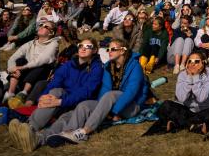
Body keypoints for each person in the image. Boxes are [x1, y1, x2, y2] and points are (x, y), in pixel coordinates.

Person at [12, 37, 147, 149]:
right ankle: (41, 136)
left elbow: (131, 91)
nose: (109, 51)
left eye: (113, 49)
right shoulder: (107, 67)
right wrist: (44, 97)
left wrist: (113, 112)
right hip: (100, 103)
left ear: (123, 51)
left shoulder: (134, 67)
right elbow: (104, 90)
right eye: (108, 49)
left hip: (129, 105)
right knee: (82, 106)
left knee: (110, 95)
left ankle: (84, 131)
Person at [9, 37, 103, 150]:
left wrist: (61, 101)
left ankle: (38, 139)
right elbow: (54, 82)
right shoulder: (69, 65)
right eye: (81, 46)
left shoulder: (97, 68)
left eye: (88, 47)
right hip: (65, 99)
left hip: (79, 103)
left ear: (94, 50)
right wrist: (43, 98)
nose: (83, 49)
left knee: (66, 118)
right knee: (55, 91)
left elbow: (86, 92)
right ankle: (30, 128)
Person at [145, 52, 209, 135]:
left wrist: (196, 76)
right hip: (185, 108)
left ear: (203, 63)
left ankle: (179, 123)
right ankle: (192, 124)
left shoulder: (208, 73)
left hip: (202, 108)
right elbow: (181, 98)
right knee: (166, 105)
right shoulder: (182, 74)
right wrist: (189, 78)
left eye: (197, 61)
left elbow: (201, 98)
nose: (193, 64)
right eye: (190, 61)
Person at [3, 22, 60, 105]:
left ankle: (24, 93)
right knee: (20, 61)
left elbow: (42, 59)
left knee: (41, 65)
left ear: (51, 33)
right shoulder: (30, 43)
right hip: (25, 74)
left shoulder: (54, 44)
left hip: (41, 75)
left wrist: (22, 68)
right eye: (41, 25)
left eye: (46, 26)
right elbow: (13, 58)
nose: (41, 27)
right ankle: (10, 93)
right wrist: (12, 68)